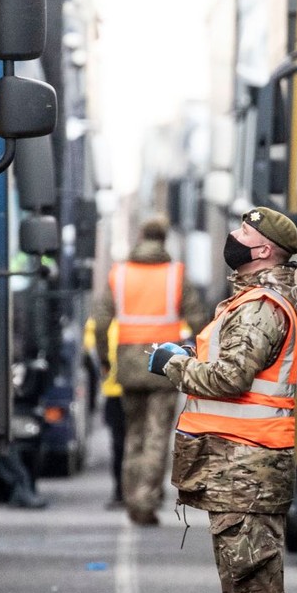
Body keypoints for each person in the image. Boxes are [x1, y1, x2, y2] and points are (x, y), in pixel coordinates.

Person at [148, 206, 297, 593]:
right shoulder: (249, 300)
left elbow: (230, 378)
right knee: (246, 580)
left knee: (254, 583)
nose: (232, 238)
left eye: (243, 233)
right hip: (239, 466)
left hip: (248, 467)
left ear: (262, 250)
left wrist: (173, 364)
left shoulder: (262, 306)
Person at [94, 214, 207, 526]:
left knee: (134, 433)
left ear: (141, 236)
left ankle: (131, 496)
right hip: (164, 363)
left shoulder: (120, 274)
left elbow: (102, 320)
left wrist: (105, 358)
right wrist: (200, 354)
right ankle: (145, 499)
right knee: (158, 434)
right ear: (164, 239)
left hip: (129, 364)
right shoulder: (175, 275)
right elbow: (198, 319)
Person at [83, 316, 125, 507]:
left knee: (120, 444)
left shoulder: (101, 322)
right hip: (136, 390)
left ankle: (122, 492)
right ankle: (137, 492)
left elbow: (91, 350)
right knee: (136, 443)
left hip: (116, 392)